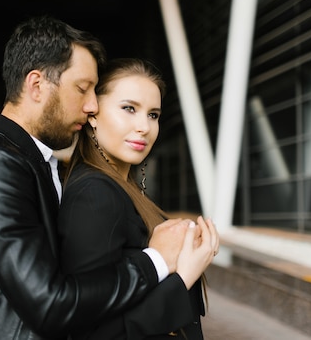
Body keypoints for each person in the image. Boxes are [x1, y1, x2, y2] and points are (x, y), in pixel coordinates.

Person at [0, 17, 206, 340]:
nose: (91, 105)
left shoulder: (36, 163)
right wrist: (157, 260)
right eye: (83, 89)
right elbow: (49, 304)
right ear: (36, 85)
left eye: (153, 114)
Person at [59, 58, 219, 339]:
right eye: (129, 109)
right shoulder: (94, 194)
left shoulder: (119, 186)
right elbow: (94, 332)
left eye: (153, 115)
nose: (144, 126)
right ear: (93, 114)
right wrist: (184, 275)